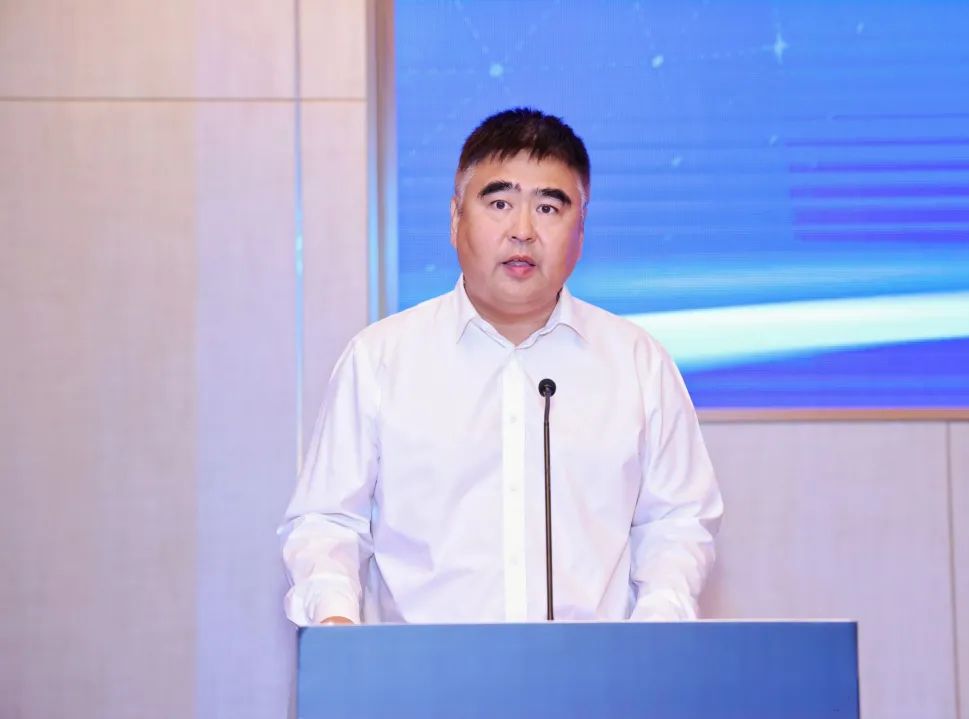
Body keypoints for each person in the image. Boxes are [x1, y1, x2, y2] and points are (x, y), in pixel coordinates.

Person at [279, 108, 723, 625]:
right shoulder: (380, 359)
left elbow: (676, 523)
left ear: (581, 228)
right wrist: (335, 621)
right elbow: (328, 522)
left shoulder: (637, 363)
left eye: (548, 208)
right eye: (499, 203)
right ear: (455, 219)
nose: (523, 231)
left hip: (595, 670)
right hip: (421, 671)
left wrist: (657, 628)